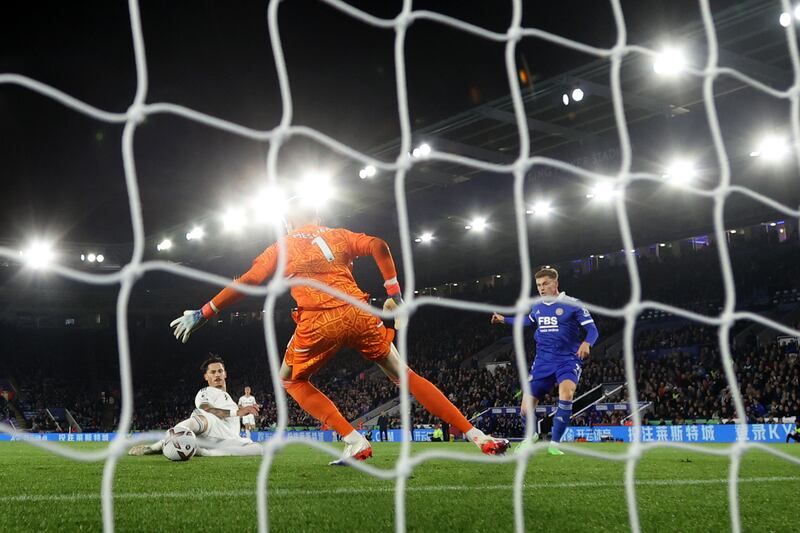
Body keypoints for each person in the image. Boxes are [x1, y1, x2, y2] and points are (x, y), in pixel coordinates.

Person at [170, 200, 509, 465]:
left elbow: (247, 282)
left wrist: (204, 312)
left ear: (288, 221)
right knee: (403, 374)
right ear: (317, 216)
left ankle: (354, 440)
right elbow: (380, 246)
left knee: (290, 380)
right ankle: (477, 434)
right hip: (360, 313)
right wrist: (394, 294)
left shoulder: (282, 246)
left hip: (318, 321)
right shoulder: (339, 235)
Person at [491, 267, 599, 456]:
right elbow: (527, 321)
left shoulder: (572, 304)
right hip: (542, 362)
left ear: (555, 284)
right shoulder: (538, 307)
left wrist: (586, 343)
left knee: (566, 395)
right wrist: (504, 320)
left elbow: (593, 330)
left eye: (545, 284)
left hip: (567, 360)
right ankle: (531, 437)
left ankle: (554, 444)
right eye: (539, 285)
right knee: (525, 409)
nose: (541, 288)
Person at [128, 355, 263, 457]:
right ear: (206, 376)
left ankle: (204, 452)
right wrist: (237, 413)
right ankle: (158, 446)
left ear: (225, 374)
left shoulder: (230, 400)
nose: (217, 375)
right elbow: (207, 409)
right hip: (210, 429)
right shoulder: (206, 392)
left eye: (220, 371)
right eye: (213, 372)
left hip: (228, 439)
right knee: (201, 419)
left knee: (258, 449)